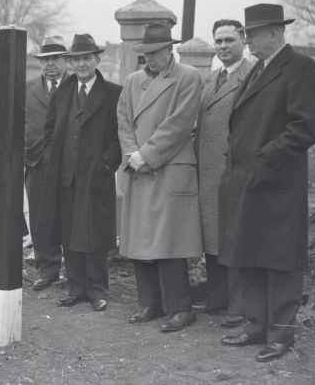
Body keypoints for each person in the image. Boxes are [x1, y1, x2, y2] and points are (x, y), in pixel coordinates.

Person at [218, 3, 315, 362]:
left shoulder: (300, 67)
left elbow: (305, 128)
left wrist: (266, 158)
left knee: (280, 260)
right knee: (249, 254)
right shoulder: (259, 69)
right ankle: (255, 325)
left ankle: (281, 335)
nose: (247, 39)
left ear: (275, 33)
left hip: (277, 181)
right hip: (248, 180)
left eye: (252, 33)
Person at [118, 23, 203, 332]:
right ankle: (150, 303)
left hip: (167, 166)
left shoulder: (187, 77)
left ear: (170, 49)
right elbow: (124, 121)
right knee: (140, 238)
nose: (150, 59)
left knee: (169, 241)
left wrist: (147, 155)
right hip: (139, 168)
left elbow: (180, 124)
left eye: (154, 52)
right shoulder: (132, 81)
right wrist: (131, 154)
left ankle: (182, 308)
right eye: (145, 54)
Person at [35, 33, 122, 312]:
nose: (82, 64)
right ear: (70, 62)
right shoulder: (62, 93)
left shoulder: (112, 93)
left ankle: (97, 290)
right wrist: (52, 159)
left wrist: (106, 165)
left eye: (87, 58)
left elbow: (120, 137)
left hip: (95, 177)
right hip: (65, 176)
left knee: (94, 234)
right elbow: (49, 132)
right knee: (69, 232)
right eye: (77, 59)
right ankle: (75, 288)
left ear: (97, 59)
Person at [193, 20, 251, 328]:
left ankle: (238, 305)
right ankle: (217, 298)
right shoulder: (211, 77)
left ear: (243, 41)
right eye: (218, 41)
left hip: (234, 167)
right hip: (208, 169)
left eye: (229, 39)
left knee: (233, 237)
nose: (223, 46)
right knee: (213, 235)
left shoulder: (252, 74)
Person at [25, 35, 69, 291]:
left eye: (55, 59)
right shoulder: (28, 89)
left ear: (65, 61)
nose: (50, 65)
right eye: (45, 60)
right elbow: (19, 124)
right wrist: (26, 151)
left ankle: (73, 271)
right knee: (40, 219)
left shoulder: (74, 87)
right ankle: (47, 270)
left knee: (68, 217)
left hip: (66, 165)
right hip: (37, 162)